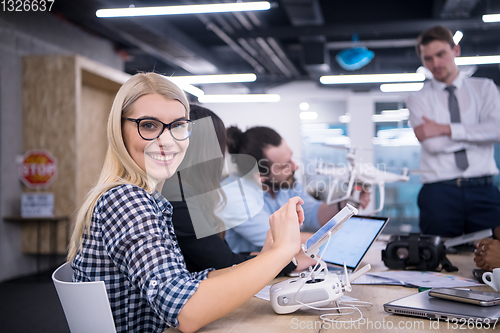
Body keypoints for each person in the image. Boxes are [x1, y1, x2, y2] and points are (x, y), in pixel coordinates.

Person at [67, 73, 304, 333]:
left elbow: (186, 282)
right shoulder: (127, 200)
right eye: (148, 125)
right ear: (118, 129)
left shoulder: (150, 198)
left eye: (178, 126)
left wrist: (269, 257)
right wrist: (281, 254)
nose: (167, 141)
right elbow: (185, 312)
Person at [164, 104, 311, 274]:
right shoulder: (178, 195)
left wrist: (262, 257)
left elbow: (221, 255)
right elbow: (223, 263)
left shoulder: (188, 192)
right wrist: (289, 263)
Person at [407, 25, 500, 238]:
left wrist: (444, 129)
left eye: (441, 54)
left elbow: (497, 131)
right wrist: (479, 135)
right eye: (428, 58)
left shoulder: (484, 88)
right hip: (439, 194)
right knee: (436, 262)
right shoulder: (417, 99)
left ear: (455, 50)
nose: (436, 64)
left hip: (484, 191)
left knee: (494, 259)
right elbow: (433, 145)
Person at [219, 126, 370, 254]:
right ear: (260, 175)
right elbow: (280, 240)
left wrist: (347, 202)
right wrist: (346, 240)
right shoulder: (234, 196)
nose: (295, 166)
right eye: (285, 165)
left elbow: (313, 214)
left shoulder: (284, 183)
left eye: (291, 158)